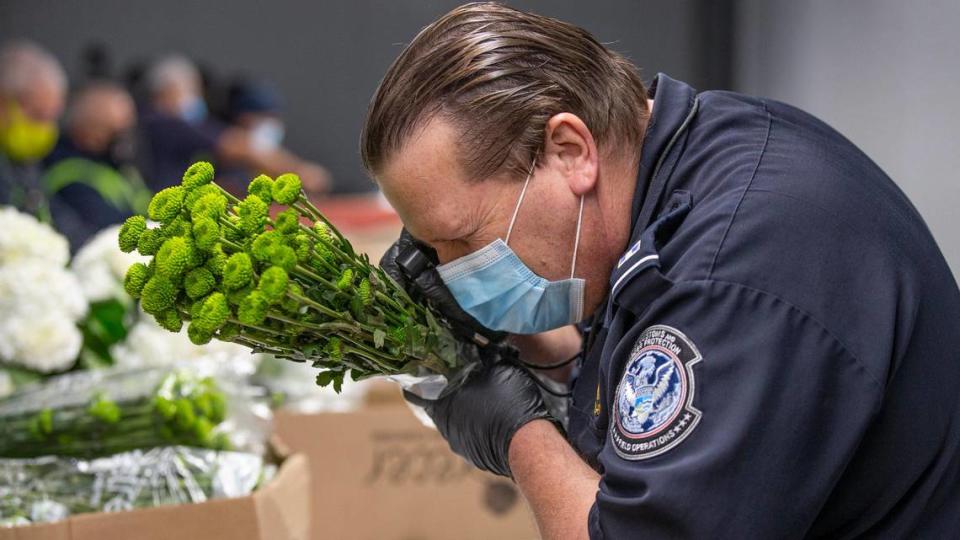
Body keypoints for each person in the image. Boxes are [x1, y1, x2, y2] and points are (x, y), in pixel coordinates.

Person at [365, 4, 960, 538]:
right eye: (433, 249)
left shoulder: (736, 269)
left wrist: (516, 432)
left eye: (464, 240)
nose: (456, 271)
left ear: (569, 151)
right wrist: (514, 340)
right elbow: (640, 378)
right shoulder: (689, 152)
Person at [139, 56, 330, 195]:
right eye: (190, 90)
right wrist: (300, 171)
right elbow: (236, 145)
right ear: (165, 92)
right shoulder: (164, 122)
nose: (196, 99)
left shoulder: (171, 125)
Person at [43, 82, 149, 249]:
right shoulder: (69, 175)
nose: (125, 139)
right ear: (87, 130)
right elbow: (109, 229)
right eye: (115, 131)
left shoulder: (117, 166)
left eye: (128, 128)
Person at [0, 41, 66, 216]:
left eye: (51, 119)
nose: (44, 129)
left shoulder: (26, 163)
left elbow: (55, 215)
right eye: (38, 116)